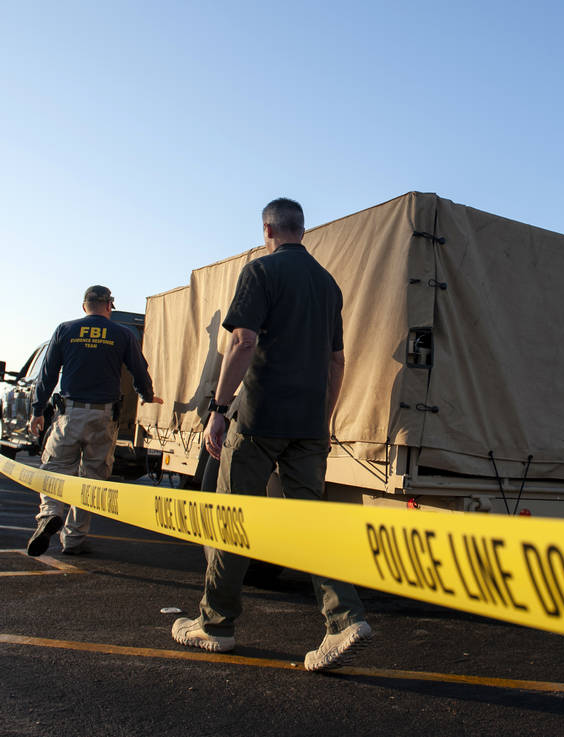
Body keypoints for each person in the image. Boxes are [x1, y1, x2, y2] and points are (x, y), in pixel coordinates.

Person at [171, 197, 372, 671]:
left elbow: (243, 341)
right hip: (308, 423)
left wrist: (219, 409)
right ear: (302, 230)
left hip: (259, 418)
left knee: (231, 518)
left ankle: (216, 624)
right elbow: (336, 362)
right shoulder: (328, 285)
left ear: (267, 230)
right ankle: (345, 620)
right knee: (311, 524)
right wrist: (322, 419)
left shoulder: (260, 273)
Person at [26, 286, 163, 557]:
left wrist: (37, 410)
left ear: (83, 306)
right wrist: (146, 396)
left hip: (70, 413)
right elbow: (139, 369)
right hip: (104, 416)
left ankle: (51, 513)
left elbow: (48, 374)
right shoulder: (123, 334)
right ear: (110, 305)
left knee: (55, 468)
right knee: (91, 479)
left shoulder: (65, 330)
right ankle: (74, 540)